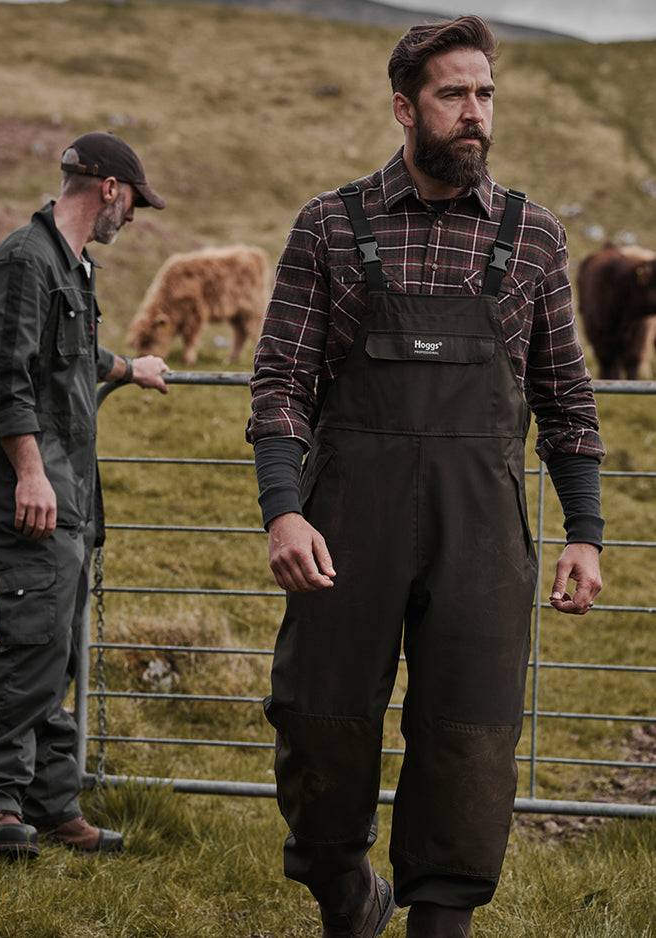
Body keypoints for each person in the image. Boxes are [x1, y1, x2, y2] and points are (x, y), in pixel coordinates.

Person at [247, 16, 604, 938]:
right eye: (455, 94)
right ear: (406, 107)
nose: (475, 113)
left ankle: (438, 922)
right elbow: (281, 383)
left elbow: (567, 399)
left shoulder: (533, 239)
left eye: (485, 94)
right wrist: (284, 512)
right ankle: (344, 891)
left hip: (480, 534)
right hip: (341, 532)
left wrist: (585, 530)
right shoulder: (331, 224)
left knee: (469, 742)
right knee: (319, 723)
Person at [0, 131, 171, 859]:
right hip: (32, 490)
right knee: (33, 644)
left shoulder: (69, 267)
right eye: (135, 201)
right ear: (109, 186)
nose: (135, 217)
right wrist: (27, 468)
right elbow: (2, 375)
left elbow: (66, 356)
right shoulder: (23, 260)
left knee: (60, 652)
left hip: (67, 490)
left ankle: (51, 802)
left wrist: (126, 366)